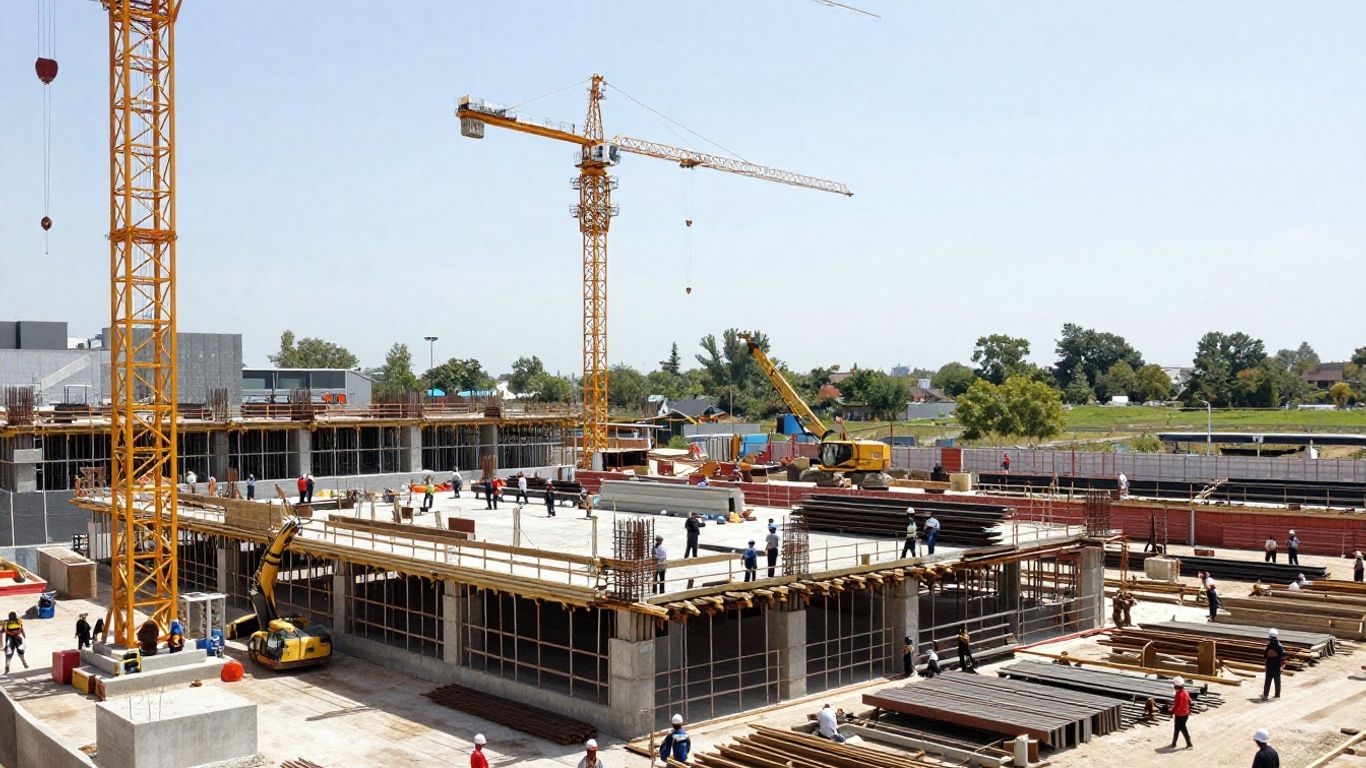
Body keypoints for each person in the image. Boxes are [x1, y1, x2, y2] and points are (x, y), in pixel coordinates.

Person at [1169, 676, 1193, 749]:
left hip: (1180, 715)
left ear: (1177, 686)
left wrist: (1171, 711)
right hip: (1186, 713)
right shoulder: (1186, 692)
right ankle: (1174, 743)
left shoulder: (1178, 694)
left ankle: (1189, 744)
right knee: (1177, 728)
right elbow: (1189, 701)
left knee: (1182, 728)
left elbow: (1177, 705)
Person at [1262, 628, 1284, 701]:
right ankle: (1277, 695)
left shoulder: (1269, 646)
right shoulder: (1280, 647)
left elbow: (1265, 657)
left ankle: (1265, 695)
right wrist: (1281, 666)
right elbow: (1282, 657)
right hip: (1277, 667)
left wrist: (1266, 665)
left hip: (1270, 666)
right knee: (1277, 681)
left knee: (1268, 681)